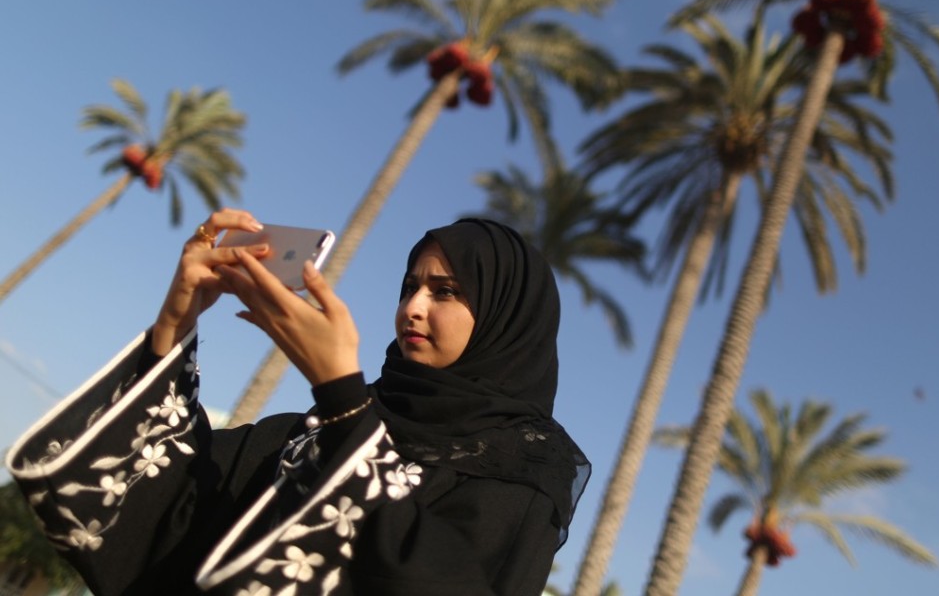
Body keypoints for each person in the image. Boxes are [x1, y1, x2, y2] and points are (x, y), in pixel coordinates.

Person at [5, 209, 590, 596]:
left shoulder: (520, 475)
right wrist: (177, 318)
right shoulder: (310, 432)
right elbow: (164, 505)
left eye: (446, 292)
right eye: (410, 286)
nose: (412, 307)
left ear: (503, 323)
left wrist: (342, 398)